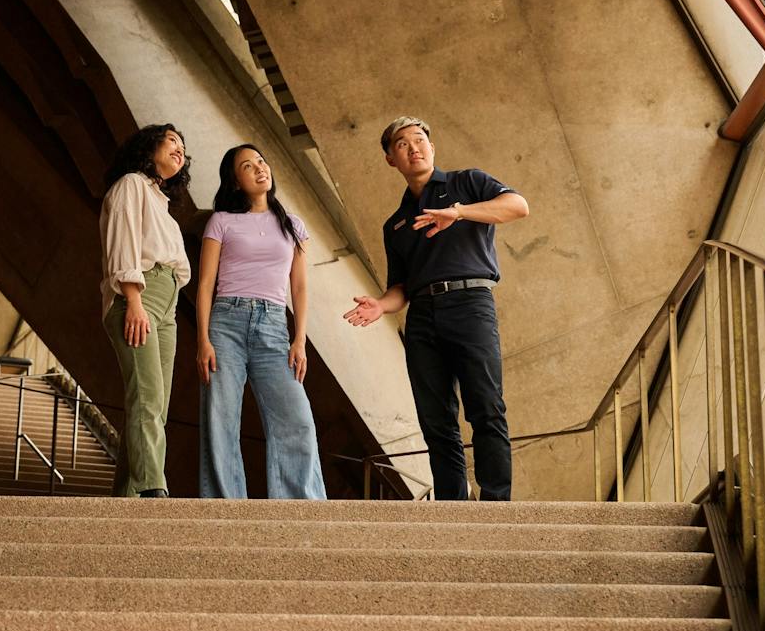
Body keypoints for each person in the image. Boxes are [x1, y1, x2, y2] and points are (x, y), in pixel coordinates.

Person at [343, 117, 529, 501]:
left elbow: (517, 206)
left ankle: (496, 507)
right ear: (390, 159)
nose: (414, 147)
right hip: (422, 317)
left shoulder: (468, 182)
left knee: (486, 406)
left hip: (470, 303)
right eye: (402, 144)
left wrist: (458, 213)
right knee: (436, 421)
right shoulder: (396, 223)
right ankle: (452, 508)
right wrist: (381, 305)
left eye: (419, 139)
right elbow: (401, 287)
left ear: (432, 147)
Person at [193, 144, 326, 499]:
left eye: (261, 161)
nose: (259, 168)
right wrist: (203, 340)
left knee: (297, 418)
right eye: (247, 166)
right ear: (236, 181)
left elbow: (299, 286)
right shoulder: (221, 221)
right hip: (226, 324)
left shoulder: (292, 224)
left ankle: (301, 508)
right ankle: (225, 508)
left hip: (274, 326)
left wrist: (300, 340)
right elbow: (205, 284)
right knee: (220, 419)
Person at [100, 123, 192, 498]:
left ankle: (127, 495)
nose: (179, 148)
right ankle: (153, 489)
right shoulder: (131, 185)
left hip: (167, 304)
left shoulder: (162, 205)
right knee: (148, 399)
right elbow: (122, 242)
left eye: (182, 146)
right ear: (148, 147)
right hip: (139, 295)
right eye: (171, 141)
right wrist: (134, 300)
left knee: (154, 405)